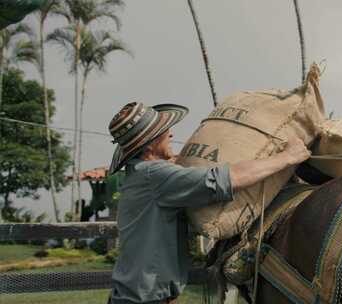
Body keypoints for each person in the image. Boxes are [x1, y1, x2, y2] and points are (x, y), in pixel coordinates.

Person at [107, 102, 311, 304]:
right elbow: (230, 179)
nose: (170, 135)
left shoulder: (141, 175)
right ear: (150, 144)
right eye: (164, 131)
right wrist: (288, 157)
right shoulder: (155, 176)